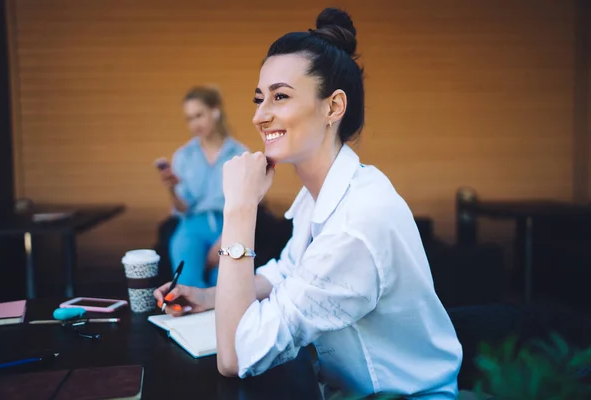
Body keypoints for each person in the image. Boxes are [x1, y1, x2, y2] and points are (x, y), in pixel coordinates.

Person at [154, 8, 463, 399]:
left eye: (280, 96)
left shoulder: (357, 221)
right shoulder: (323, 193)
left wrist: (239, 207)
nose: (259, 116)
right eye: (259, 98)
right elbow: (288, 272)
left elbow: (234, 357)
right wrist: (209, 297)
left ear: (333, 107)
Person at [157, 86, 247, 288]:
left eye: (199, 115)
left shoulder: (240, 153)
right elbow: (182, 208)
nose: (195, 124)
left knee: (225, 287)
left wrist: (227, 238)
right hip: (191, 227)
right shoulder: (183, 155)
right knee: (187, 285)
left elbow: (245, 204)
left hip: (229, 225)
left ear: (215, 111)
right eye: (189, 118)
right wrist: (171, 189)